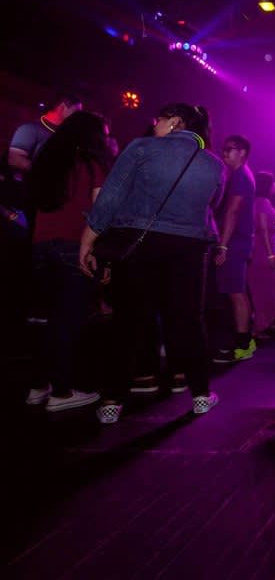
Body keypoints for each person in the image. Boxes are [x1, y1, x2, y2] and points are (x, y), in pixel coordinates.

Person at [81, 103, 225, 423]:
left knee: (128, 322)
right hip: (189, 249)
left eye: (159, 119)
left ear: (175, 122)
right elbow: (211, 205)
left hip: (140, 245)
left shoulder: (141, 148)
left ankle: (112, 401)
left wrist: (88, 239)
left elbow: (111, 196)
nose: (154, 124)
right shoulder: (214, 164)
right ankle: (201, 395)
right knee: (188, 322)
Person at [26, 111, 111, 411]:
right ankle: (61, 392)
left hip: (40, 245)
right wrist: (103, 256)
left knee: (45, 319)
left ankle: (38, 386)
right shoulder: (91, 165)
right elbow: (100, 213)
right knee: (68, 320)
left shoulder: (48, 162)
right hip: (75, 246)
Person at [212, 134, 256, 362]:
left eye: (230, 149)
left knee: (236, 294)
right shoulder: (241, 175)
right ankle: (244, 340)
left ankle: (242, 345)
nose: (224, 153)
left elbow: (233, 211)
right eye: (224, 148)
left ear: (242, 153)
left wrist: (223, 245)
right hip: (239, 241)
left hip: (235, 242)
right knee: (238, 292)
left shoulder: (240, 176)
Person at [7, 93, 83, 173]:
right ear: (62, 107)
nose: (78, 117)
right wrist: (48, 173)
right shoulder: (30, 129)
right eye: (76, 112)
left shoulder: (66, 136)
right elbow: (14, 159)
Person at [248, 171, 275, 336]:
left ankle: (268, 321)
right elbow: (262, 228)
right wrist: (270, 254)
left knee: (271, 288)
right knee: (263, 290)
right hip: (262, 251)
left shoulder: (262, 202)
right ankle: (259, 327)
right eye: (273, 182)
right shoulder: (261, 202)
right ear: (267, 185)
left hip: (264, 249)